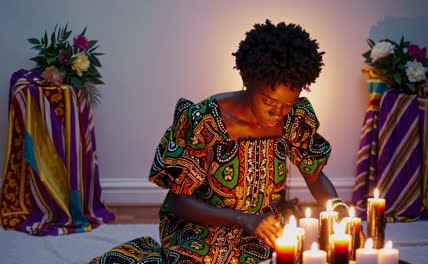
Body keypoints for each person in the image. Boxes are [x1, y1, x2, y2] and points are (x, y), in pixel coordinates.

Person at [90, 20, 348, 264]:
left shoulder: (295, 121)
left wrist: (336, 206)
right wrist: (241, 218)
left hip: (259, 230)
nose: (277, 113)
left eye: (287, 104)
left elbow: (314, 177)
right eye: (268, 102)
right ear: (247, 80)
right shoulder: (204, 121)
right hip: (199, 228)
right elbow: (177, 201)